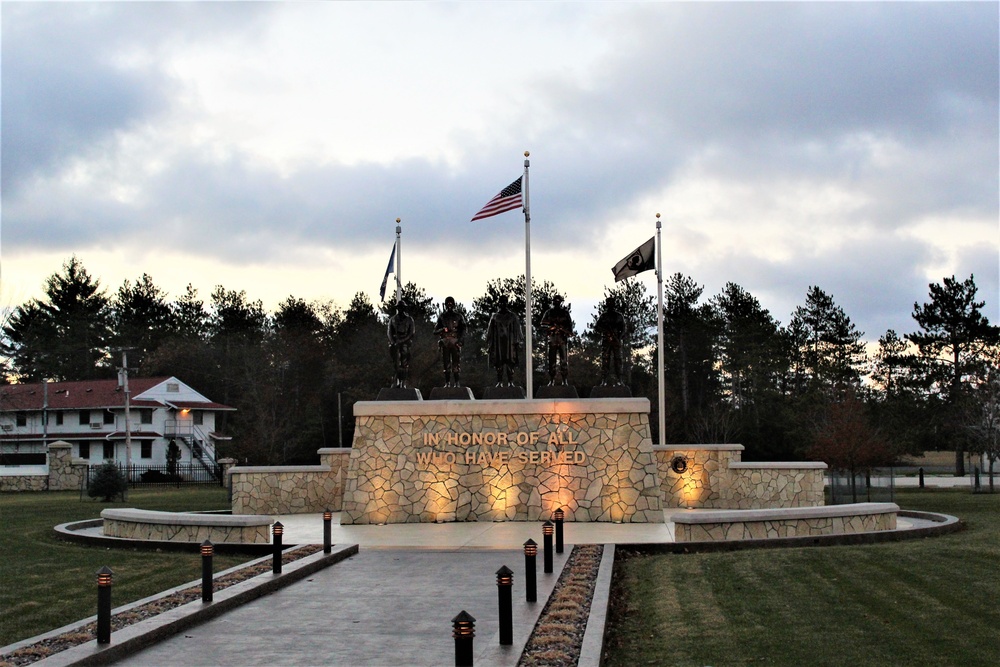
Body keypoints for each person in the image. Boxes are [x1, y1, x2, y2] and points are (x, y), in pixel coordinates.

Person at [486, 295, 523, 386]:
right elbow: (490, 331)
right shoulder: (495, 316)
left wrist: (517, 342)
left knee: (510, 361)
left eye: (505, 302)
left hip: (510, 343)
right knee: (499, 362)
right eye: (501, 302)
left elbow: (517, 330)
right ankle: (500, 381)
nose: (503, 304)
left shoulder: (512, 316)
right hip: (498, 342)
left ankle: (511, 381)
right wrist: (490, 342)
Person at [540, 294, 574, 385]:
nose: (557, 303)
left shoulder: (565, 313)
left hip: (562, 338)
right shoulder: (549, 312)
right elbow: (543, 324)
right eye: (555, 301)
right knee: (552, 360)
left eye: (559, 301)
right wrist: (552, 327)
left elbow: (570, 325)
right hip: (552, 338)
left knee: (564, 360)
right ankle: (552, 379)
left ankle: (564, 379)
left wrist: (565, 330)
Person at [433, 296, 466, 387]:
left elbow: (463, 329)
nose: (449, 305)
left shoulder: (459, 316)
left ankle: (457, 382)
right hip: (445, 342)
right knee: (446, 363)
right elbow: (435, 331)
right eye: (448, 303)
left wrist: (460, 341)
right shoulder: (442, 317)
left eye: (451, 303)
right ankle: (447, 382)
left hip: (455, 341)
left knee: (456, 363)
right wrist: (442, 330)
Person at [594, 296, 627, 386]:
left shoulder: (619, 316)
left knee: (618, 360)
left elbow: (623, 329)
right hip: (606, 340)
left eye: (612, 304)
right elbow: (597, 327)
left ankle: (620, 380)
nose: (610, 305)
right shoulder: (604, 316)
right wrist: (605, 332)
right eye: (609, 304)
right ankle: (604, 380)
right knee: (605, 360)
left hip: (616, 339)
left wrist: (619, 337)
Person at [387, 300, 415, 388]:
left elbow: (411, 333)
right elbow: (389, 332)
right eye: (399, 308)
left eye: (402, 308)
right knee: (395, 363)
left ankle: (403, 382)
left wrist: (403, 341)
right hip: (395, 343)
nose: (400, 310)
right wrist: (393, 342)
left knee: (404, 363)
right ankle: (395, 380)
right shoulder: (393, 319)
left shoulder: (409, 319)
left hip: (405, 343)